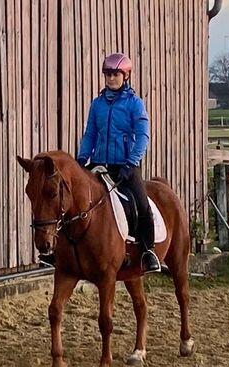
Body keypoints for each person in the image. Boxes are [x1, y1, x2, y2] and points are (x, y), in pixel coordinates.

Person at [76, 52, 160, 273]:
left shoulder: (135, 104)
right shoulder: (97, 104)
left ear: (126, 75)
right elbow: (90, 134)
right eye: (107, 74)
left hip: (125, 166)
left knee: (141, 205)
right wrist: (82, 159)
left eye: (115, 74)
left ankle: (148, 251)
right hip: (99, 164)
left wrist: (131, 162)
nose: (111, 78)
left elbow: (142, 136)